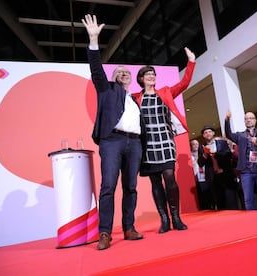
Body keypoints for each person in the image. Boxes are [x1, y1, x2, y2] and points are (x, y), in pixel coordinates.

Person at [82, 14, 144, 250]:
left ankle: (129, 228)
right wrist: (94, 40)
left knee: (131, 187)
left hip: (135, 143)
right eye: (118, 72)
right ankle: (105, 233)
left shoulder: (134, 99)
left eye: (126, 72)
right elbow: (96, 68)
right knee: (108, 186)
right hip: (112, 141)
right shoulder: (106, 89)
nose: (123, 74)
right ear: (112, 77)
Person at [132, 47, 196, 234]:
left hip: (165, 140)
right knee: (155, 182)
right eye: (147, 74)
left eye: (153, 74)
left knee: (169, 177)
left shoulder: (166, 91)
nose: (151, 76)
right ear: (141, 79)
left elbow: (184, 83)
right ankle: (164, 219)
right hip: (147, 145)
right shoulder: (135, 98)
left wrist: (191, 62)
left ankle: (176, 217)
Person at [224, 111, 257, 210]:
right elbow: (229, 134)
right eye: (246, 118)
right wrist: (227, 120)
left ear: (255, 120)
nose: (248, 120)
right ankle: (252, 221)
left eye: (251, 118)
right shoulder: (240, 135)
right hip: (246, 171)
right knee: (248, 199)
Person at [199, 125, 239, 210]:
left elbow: (228, 155)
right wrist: (205, 154)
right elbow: (200, 163)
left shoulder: (222, 143)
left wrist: (215, 154)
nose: (208, 134)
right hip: (213, 176)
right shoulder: (202, 148)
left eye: (209, 131)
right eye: (205, 133)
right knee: (219, 200)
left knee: (231, 199)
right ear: (203, 136)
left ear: (213, 133)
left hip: (225, 173)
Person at [190, 139, 214, 210]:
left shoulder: (203, 154)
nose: (195, 146)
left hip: (205, 177)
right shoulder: (189, 156)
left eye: (197, 144)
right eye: (193, 144)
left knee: (208, 197)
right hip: (195, 179)